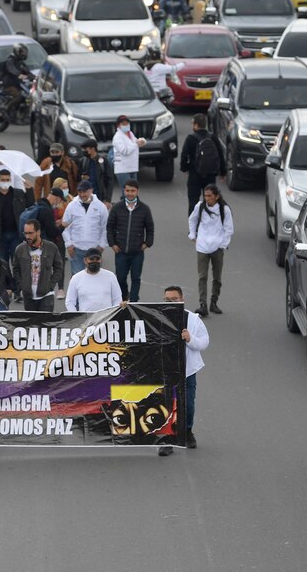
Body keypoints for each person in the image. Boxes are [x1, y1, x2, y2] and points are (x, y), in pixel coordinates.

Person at [157, 285, 208, 457]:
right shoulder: (155, 318)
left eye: (174, 299)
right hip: (165, 371)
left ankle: (187, 431)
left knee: (188, 404)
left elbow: (204, 342)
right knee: (167, 405)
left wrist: (190, 339)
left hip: (187, 371)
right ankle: (168, 439)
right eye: (167, 300)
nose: (170, 302)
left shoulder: (193, 320)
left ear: (182, 300)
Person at [188, 184, 233, 317]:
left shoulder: (224, 209)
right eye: (205, 196)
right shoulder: (200, 206)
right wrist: (192, 235)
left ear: (216, 196)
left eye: (210, 196)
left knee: (217, 277)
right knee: (202, 277)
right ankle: (203, 304)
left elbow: (229, 228)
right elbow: (192, 220)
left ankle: (214, 301)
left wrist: (223, 244)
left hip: (217, 247)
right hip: (202, 247)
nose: (207, 198)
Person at [106, 180, 154, 302]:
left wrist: (147, 244)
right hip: (120, 251)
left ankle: (134, 301)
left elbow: (150, 228)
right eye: (127, 190)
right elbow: (110, 227)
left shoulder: (144, 209)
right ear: (124, 191)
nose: (130, 193)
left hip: (137, 252)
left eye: (133, 191)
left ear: (137, 191)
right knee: (120, 278)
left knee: (136, 278)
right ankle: (124, 296)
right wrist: (113, 244)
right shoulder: (117, 208)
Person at [0, 169, 27, 299]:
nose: (5, 182)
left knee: (17, 263)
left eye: (7, 180)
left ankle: (18, 290)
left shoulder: (18, 194)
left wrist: (29, 190)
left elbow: (27, 209)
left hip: (16, 235)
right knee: (2, 265)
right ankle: (7, 289)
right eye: (3, 180)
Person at [13, 219, 63, 312]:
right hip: (28, 296)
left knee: (45, 321)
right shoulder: (20, 249)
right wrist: (22, 285)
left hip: (46, 295)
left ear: (38, 232)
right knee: (31, 321)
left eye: (30, 233)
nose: (27, 236)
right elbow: (16, 269)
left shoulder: (51, 247)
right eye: (25, 233)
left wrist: (51, 285)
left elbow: (59, 268)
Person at [61, 180, 109, 275]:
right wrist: (69, 244)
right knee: (77, 277)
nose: (82, 194)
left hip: (94, 249)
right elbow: (65, 227)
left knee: (94, 276)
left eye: (85, 191)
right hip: (76, 249)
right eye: (80, 192)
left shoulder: (101, 207)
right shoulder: (71, 206)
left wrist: (102, 245)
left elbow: (105, 227)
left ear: (91, 190)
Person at [179, 114, 223, 214]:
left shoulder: (190, 138)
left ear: (196, 125)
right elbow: (220, 154)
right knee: (210, 202)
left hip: (195, 174)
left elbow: (184, 155)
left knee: (193, 202)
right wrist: (222, 172)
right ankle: (210, 222)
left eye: (192, 124)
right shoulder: (212, 137)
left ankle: (194, 223)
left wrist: (184, 168)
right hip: (210, 174)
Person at [65, 247, 122, 312]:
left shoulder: (110, 276)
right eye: (91, 259)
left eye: (97, 259)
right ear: (85, 260)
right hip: (86, 317)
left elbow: (117, 298)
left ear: (101, 260)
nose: (94, 261)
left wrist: (112, 313)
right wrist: (77, 316)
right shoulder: (76, 278)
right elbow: (70, 302)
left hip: (106, 316)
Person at [0, 43, 33, 114]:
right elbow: (14, 72)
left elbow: (27, 72)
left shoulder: (20, 62)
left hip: (17, 85)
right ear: (17, 51)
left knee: (27, 96)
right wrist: (26, 77)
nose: (24, 54)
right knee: (18, 96)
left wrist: (35, 77)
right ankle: (6, 107)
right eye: (23, 52)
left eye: (25, 52)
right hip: (8, 85)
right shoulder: (10, 61)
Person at [112, 115, 146, 189]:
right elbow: (125, 151)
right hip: (123, 169)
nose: (126, 125)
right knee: (126, 192)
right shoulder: (117, 137)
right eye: (123, 124)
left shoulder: (130, 134)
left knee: (134, 191)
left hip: (133, 167)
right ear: (118, 126)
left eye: (127, 123)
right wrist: (136, 144)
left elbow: (135, 142)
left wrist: (142, 141)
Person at [76, 139, 114, 204]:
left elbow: (110, 180)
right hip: (86, 197)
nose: (84, 151)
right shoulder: (83, 161)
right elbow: (77, 178)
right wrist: (82, 177)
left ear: (92, 149)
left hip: (100, 197)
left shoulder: (103, 161)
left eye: (85, 149)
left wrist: (108, 199)